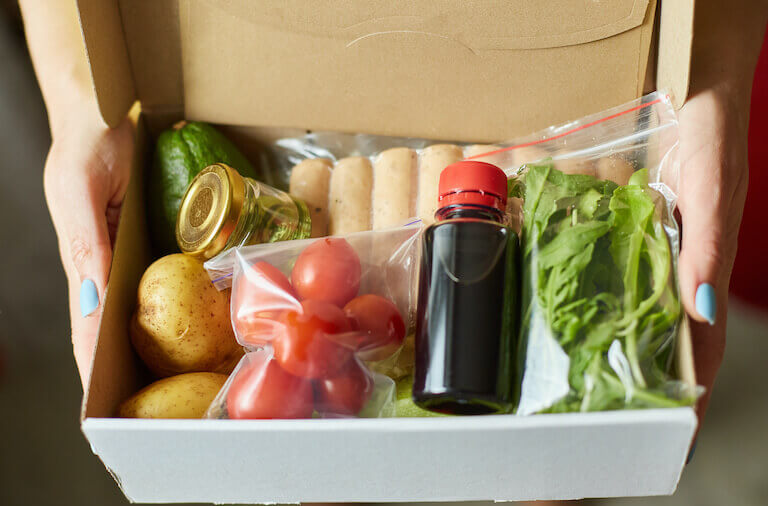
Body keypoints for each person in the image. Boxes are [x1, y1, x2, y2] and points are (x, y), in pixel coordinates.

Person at [19, 0, 767, 447]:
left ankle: (554, 484)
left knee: (551, 439)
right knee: (320, 450)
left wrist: (713, 80)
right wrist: (81, 98)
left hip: (579, 71)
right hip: (264, 62)